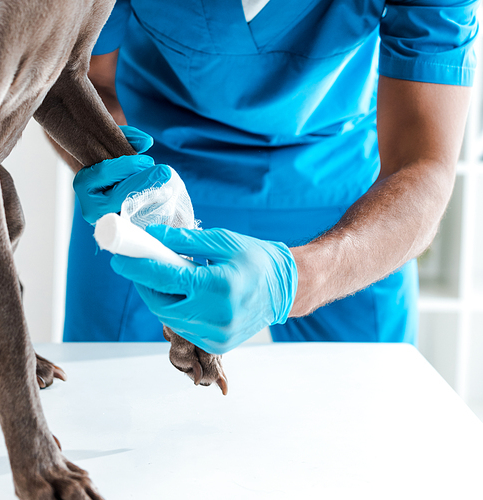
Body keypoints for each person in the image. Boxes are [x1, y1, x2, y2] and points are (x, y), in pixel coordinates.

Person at [64, 0, 477, 353]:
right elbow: (86, 81)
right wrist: (116, 172)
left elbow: (422, 165)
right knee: (105, 414)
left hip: (347, 197)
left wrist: (297, 281)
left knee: (364, 424)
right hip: (153, 184)